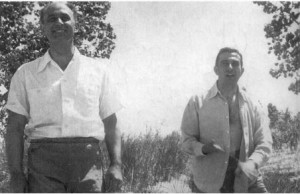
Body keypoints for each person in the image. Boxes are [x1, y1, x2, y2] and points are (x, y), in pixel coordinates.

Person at [5, 2, 123, 193]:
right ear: (42, 27)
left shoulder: (99, 71)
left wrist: (116, 165)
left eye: (65, 17)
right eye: (51, 19)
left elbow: (111, 122)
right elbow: (15, 127)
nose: (58, 22)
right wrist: (16, 174)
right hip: (43, 165)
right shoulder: (25, 73)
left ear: (76, 23)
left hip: (88, 163)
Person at [181, 47, 273, 193]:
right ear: (216, 69)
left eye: (235, 63)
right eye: (225, 63)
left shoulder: (254, 104)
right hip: (209, 183)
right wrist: (203, 148)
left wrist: (252, 163)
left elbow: (265, 141)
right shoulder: (197, 102)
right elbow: (186, 141)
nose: (230, 67)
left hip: (247, 179)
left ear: (242, 70)